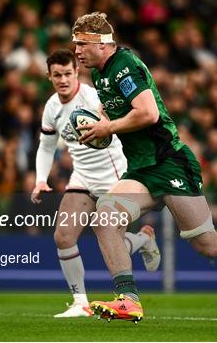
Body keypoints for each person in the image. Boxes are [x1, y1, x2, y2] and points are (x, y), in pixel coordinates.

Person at [72, 12, 217, 323]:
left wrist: (107, 129)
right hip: (142, 170)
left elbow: (148, 114)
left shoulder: (124, 65)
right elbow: (118, 116)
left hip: (170, 163)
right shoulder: (100, 73)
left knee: (209, 245)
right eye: (75, 44)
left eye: (82, 44)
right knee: (105, 216)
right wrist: (101, 125)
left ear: (104, 44)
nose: (77, 51)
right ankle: (128, 299)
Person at [31, 49, 161, 318]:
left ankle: (142, 240)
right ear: (49, 76)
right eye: (57, 75)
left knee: (111, 241)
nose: (63, 79)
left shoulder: (93, 95)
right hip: (82, 176)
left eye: (68, 73)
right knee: (63, 236)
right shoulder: (52, 107)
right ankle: (80, 303)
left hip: (115, 175)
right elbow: (46, 146)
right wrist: (40, 180)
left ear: (76, 72)